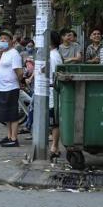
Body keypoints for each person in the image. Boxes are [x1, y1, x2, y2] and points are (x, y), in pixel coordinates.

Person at [0, 31, 24, 147]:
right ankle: (8, 136)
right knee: (5, 114)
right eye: (1, 39)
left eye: (5, 39)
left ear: (11, 41)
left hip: (11, 88)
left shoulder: (14, 54)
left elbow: (19, 72)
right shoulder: (4, 53)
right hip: (2, 88)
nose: (2, 41)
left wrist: (20, 82)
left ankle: (14, 138)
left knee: (12, 113)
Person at [48, 31, 64, 159]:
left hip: (53, 92)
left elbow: (54, 76)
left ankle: (55, 146)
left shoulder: (53, 56)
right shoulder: (51, 55)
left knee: (54, 121)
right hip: (49, 92)